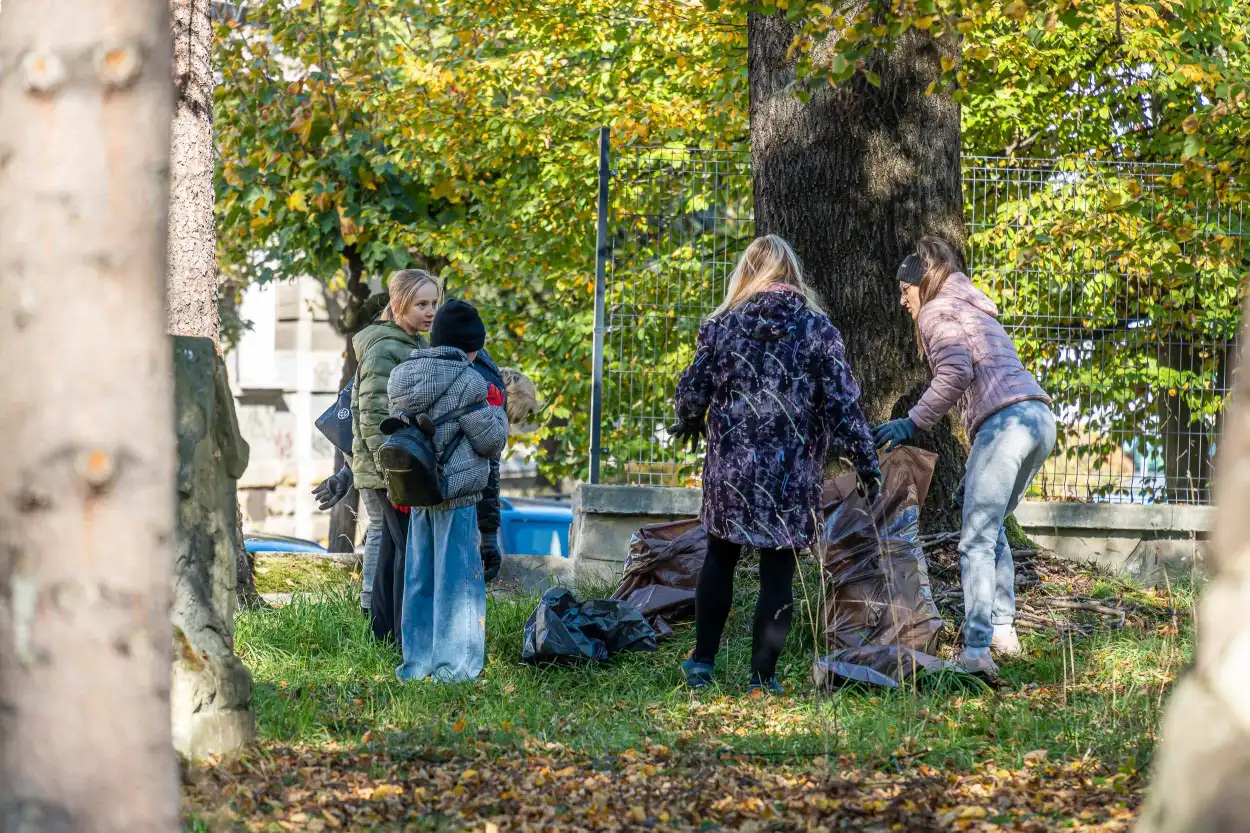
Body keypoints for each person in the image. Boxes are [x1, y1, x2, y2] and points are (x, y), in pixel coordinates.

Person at [670, 234, 881, 693]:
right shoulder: (817, 329)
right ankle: (763, 679)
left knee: (719, 558)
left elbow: (691, 392)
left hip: (731, 469)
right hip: (790, 474)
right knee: (778, 572)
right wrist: (866, 462)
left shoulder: (722, 324)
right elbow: (844, 406)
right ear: (793, 275)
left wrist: (688, 418)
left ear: (746, 273)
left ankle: (702, 664)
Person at [872, 235, 1056, 679]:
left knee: (974, 539)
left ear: (921, 284)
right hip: (1038, 421)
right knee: (990, 533)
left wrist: (912, 422)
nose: (902, 301)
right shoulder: (973, 309)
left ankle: (975, 652)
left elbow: (957, 372)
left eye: (904, 290)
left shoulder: (938, 311)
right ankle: (1003, 631)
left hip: (1005, 425)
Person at [387, 300, 509, 682]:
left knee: (420, 577)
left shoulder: (403, 376)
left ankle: (416, 663)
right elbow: (491, 441)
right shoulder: (470, 380)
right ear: (470, 346)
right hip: (456, 493)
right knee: (459, 581)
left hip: (418, 490)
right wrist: (498, 412)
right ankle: (454, 668)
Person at [353, 270, 440, 637]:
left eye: (434, 303)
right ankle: (390, 627)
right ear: (399, 303)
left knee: (392, 547)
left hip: (400, 465)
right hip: (385, 468)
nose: (430, 311)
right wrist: (388, 471)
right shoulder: (385, 349)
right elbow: (372, 415)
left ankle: (383, 630)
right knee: (401, 546)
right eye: (421, 304)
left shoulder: (414, 345)